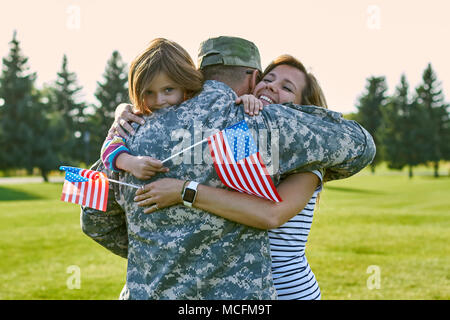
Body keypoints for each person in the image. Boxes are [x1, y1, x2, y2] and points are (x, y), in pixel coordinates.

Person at [81, 36, 376, 300]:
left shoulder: (133, 133)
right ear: (253, 78)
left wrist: (157, 252)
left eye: (285, 87)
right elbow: (361, 145)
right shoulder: (258, 126)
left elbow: (92, 214)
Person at [129, 54, 327, 300]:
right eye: (268, 79)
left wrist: (184, 191)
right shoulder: (244, 137)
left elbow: (272, 214)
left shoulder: (309, 161)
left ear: (302, 106)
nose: (272, 86)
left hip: (289, 292)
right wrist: (127, 112)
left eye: (287, 87)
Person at [101, 38, 203, 179]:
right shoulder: (135, 118)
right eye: (149, 92)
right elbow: (108, 147)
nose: (159, 100)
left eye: (168, 90)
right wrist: (130, 163)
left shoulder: (201, 111)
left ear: (185, 84)